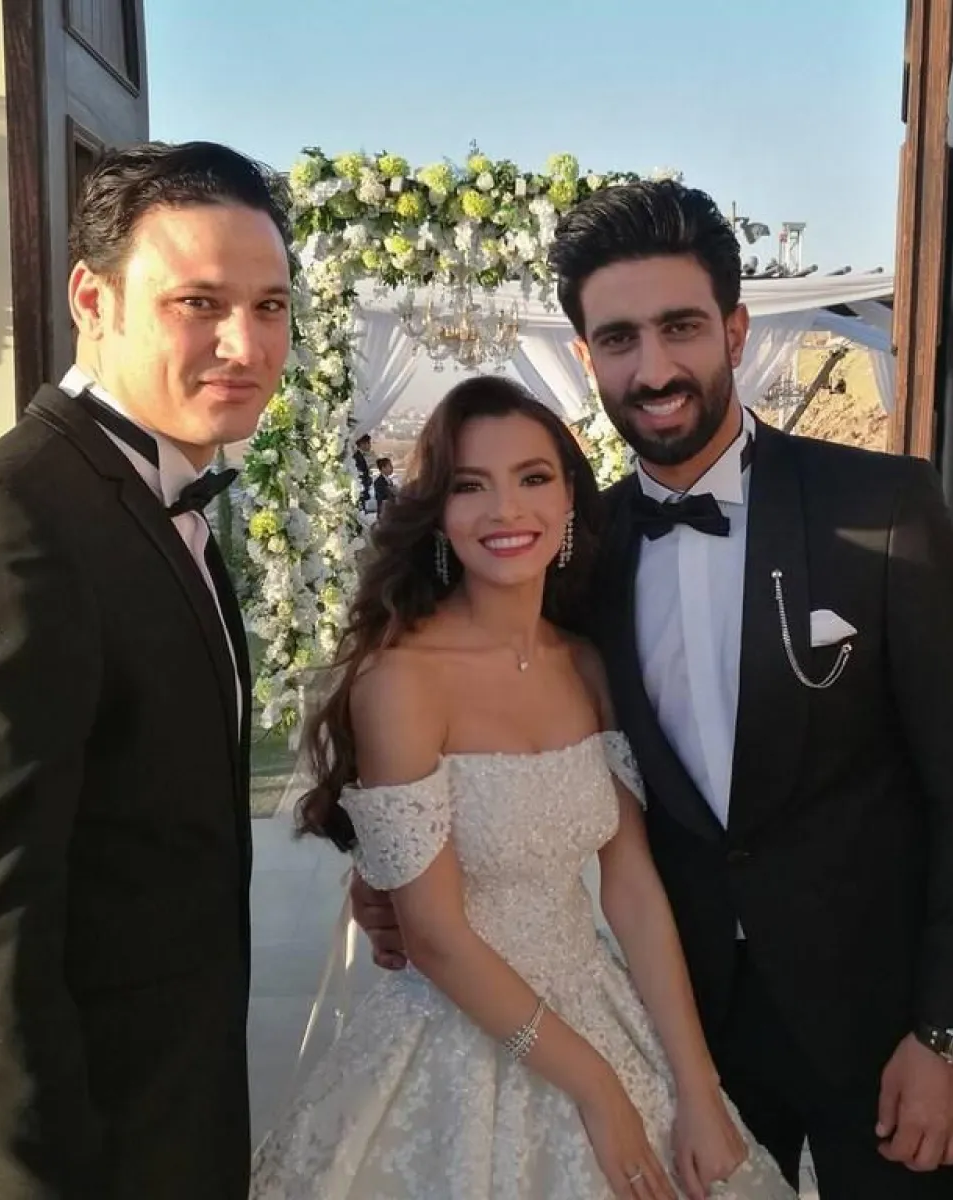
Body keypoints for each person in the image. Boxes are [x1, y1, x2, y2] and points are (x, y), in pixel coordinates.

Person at [354, 180, 953, 1198]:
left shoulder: (885, 509)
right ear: (588, 358)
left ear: (734, 331)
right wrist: (390, 876)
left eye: (681, 327)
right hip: (680, 1030)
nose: (653, 369)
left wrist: (950, 1033)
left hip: (881, 1033)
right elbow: (494, 732)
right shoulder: (575, 553)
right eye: (619, 339)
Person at [0, 141, 293, 1200]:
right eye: (199, 303)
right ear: (94, 299)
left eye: (269, 306)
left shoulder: (146, 504)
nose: (246, 343)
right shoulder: (4, 536)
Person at [251, 376, 796, 1199]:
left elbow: (634, 890)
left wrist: (696, 1086)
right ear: (438, 511)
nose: (506, 510)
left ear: (571, 498)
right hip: (452, 1030)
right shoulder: (401, 681)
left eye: (533, 477)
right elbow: (434, 936)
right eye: (470, 485)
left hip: (600, 1001)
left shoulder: (585, 663)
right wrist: (598, 1089)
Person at [353, 432, 374, 510]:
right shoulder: (357, 456)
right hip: (360, 491)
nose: (370, 445)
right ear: (362, 444)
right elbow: (360, 474)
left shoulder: (360, 455)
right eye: (368, 443)